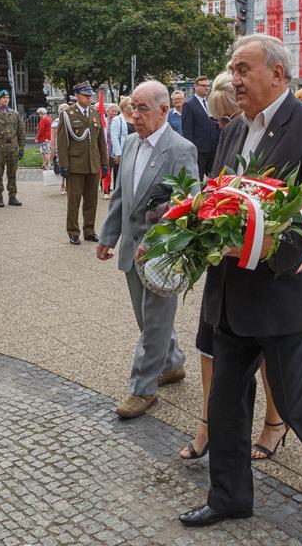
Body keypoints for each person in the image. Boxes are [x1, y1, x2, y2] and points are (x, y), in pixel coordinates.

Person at [180, 34, 302, 529]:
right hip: (230, 297)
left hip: (286, 297)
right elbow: (219, 199)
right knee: (225, 404)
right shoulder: (233, 130)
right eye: (232, 69)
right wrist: (191, 230)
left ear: (277, 74)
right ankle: (228, 497)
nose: (233, 79)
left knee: (301, 406)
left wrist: (260, 244)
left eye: (243, 69)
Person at [180, 69, 288, 463]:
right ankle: (209, 423)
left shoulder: (280, 132)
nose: (222, 126)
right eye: (218, 120)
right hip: (223, 265)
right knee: (209, 346)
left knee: (268, 355)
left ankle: (275, 422)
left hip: (263, 266)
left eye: (226, 117)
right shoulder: (232, 133)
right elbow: (216, 186)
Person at [97, 80, 197, 419]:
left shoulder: (181, 149)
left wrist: (155, 242)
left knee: (154, 323)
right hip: (131, 248)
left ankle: (143, 389)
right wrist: (108, 236)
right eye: (132, 108)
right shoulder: (129, 142)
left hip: (161, 254)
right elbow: (121, 196)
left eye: (142, 109)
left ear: (164, 110)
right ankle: (172, 363)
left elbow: (187, 205)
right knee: (147, 320)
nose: (135, 116)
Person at [57, 81, 108, 245]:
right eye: (86, 96)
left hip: (93, 164)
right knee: (74, 201)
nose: (89, 98)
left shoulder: (96, 114)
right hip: (76, 165)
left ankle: (89, 230)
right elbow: (62, 142)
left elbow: (101, 142)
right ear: (77, 96)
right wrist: (63, 164)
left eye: (90, 96)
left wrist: (104, 163)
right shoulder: (67, 114)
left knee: (92, 201)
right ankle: (73, 232)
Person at [0, 89, 25, 207]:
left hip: (12, 149)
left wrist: (22, 147)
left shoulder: (15, 114)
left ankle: (12, 196)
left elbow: (20, 131)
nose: (6, 100)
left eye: (7, 98)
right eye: (3, 98)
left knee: (12, 173)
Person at [181, 76, 220, 179]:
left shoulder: (211, 102)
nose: (207, 88)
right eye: (203, 86)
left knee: (215, 178)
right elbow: (187, 130)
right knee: (197, 179)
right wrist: (191, 151)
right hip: (199, 151)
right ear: (195, 87)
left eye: (208, 86)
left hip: (214, 149)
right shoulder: (189, 104)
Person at [109, 97, 134, 192]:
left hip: (135, 152)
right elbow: (114, 137)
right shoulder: (117, 119)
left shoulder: (136, 117)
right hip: (123, 153)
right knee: (120, 179)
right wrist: (118, 154)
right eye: (130, 105)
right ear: (124, 107)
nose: (133, 107)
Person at [50, 103, 70, 195]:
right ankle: (63, 185)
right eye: (61, 109)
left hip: (71, 147)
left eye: (65, 109)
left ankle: (69, 185)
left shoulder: (72, 120)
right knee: (62, 166)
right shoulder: (56, 122)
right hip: (60, 147)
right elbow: (53, 137)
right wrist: (53, 149)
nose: (63, 110)